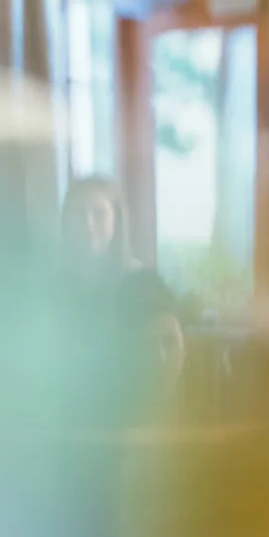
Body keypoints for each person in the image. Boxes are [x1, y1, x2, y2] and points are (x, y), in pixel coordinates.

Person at [57, 176, 186, 426]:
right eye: (78, 215)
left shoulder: (144, 285)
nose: (88, 225)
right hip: (68, 418)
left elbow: (165, 360)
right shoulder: (53, 290)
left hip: (132, 418)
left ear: (116, 220)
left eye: (98, 214)